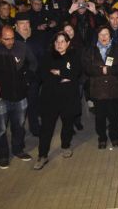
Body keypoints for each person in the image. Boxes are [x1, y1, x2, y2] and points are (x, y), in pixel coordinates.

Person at [0, 26, 37, 169]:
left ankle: (18, 150)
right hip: (0, 98)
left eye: (12, 38)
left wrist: (27, 80)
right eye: (7, 39)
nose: (10, 41)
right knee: (0, 129)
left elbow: (33, 63)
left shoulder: (21, 47)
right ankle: (3, 155)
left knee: (19, 126)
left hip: (20, 96)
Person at [34, 32, 82, 170]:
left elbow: (76, 73)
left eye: (62, 41)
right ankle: (42, 155)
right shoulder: (47, 57)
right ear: (54, 44)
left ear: (68, 43)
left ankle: (65, 146)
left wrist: (59, 72)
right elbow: (43, 75)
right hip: (50, 98)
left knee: (67, 124)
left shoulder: (74, 56)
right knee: (46, 128)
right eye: (57, 41)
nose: (59, 44)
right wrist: (64, 77)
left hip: (68, 98)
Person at [82, 25, 118, 149]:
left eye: (106, 34)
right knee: (100, 117)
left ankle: (114, 137)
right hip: (97, 90)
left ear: (110, 35)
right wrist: (101, 71)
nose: (104, 37)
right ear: (97, 36)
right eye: (101, 34)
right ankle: (102, 138)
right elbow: (87, 68)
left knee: (114, 116)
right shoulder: (90, 50)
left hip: (114, 89)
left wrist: (108, 69)